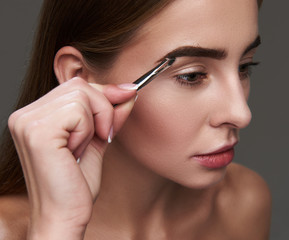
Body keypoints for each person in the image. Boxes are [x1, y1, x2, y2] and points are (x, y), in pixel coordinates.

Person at [0, 0, 271, 239]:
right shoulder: (8, 230)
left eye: (244, 66)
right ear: (77, 75)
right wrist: (59, 228)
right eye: (191, 75)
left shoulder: (241, 205)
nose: (241, 114)